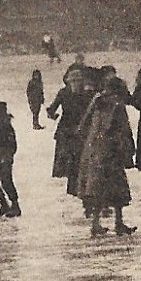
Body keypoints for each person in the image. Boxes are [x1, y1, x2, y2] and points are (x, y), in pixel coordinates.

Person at [75, 75, 137, 236]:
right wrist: (128, 150)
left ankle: (96, 224)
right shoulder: (117, 105)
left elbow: (82, 127)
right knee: (117, 188)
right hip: (112, 152)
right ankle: (118, 222)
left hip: (93, 150)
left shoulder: (96, 101)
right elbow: (124, 130)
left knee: (96, 189)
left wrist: (91, 143)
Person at [47, 66, 97, 198]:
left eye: (77, 81)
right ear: (68, 82)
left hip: (81, 130)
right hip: (67, 131)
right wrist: (52, 114)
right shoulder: (64, 93)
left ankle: (82, 188)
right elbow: (52, 108)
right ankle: (74, 188)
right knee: (72, 161)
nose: (75, 84)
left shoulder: (87, 94)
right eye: (72, 82)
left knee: (81, 161)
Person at [0, 101, 21, 218]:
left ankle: (15, 205)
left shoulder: (5, 125)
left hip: (4, 157)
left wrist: (6, 156)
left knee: (6, 181)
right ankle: (3, 203)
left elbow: (12, 144)